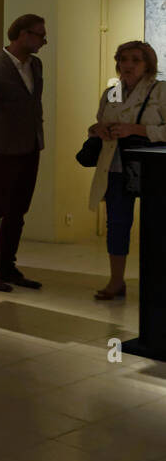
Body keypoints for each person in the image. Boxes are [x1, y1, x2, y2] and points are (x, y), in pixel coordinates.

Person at [0, 14, 47, 291]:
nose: (44, 41)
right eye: (40, 35)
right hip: (2, 150)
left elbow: (33, 104)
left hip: (30, 147)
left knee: (18, 210)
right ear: (23, 35)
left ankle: (7, 266)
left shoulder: (35, 66)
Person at [86, 41, 165, 299]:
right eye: (123, 59)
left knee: (155, 226)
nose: (127, 65)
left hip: (152, 169)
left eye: (135, 60)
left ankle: (156, 284)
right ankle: (116, 281)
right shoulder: (112, 92)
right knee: (117, 224)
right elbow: (98, 122)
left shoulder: (160, 91)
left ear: (147, 65)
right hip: (116, 167)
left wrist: (136, 130)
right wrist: (99, 130)